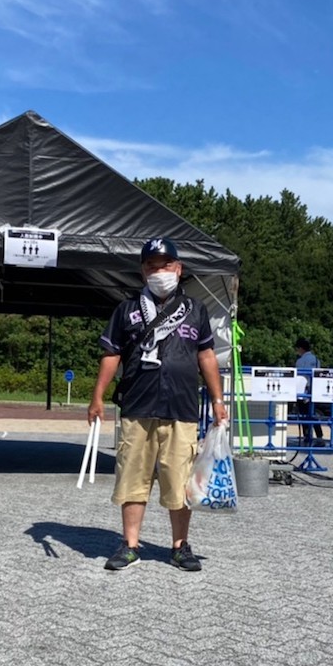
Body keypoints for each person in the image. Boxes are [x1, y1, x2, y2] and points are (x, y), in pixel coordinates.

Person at [88, 237, 228, 573]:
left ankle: (180, 546)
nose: (159, 271)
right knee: (132, 478)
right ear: (143, 271)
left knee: (180, 481)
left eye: (166, 265)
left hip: (181, 408)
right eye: (152, 266)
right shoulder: (127, 310)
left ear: (178, 269)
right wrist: (97, 396)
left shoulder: (195, 310)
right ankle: (130, 545)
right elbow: (111, 354)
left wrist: (218, 399)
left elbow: (206, 356)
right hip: (138, 406)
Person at [293, 337, 325, 446]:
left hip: (303, 391)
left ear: (301, 348)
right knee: (313, 414)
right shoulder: (316, 359)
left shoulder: (300, 361)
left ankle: (307, 436)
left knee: (303, 415)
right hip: (314, 389)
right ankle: (319, 437)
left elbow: (299, 376)